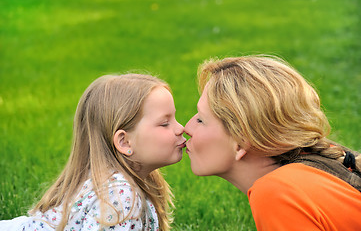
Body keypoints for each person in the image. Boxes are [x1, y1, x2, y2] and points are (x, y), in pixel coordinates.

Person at [184, 55, 361, 230]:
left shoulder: (277, 192)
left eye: (201, 119)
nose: (186, 127)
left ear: (240, 141)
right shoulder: (326, 159)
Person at [0, 73, 186, 231]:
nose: (181, 128)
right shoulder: (120, 197)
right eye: (164, 123)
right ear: (124, 141)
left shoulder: (120, 182)